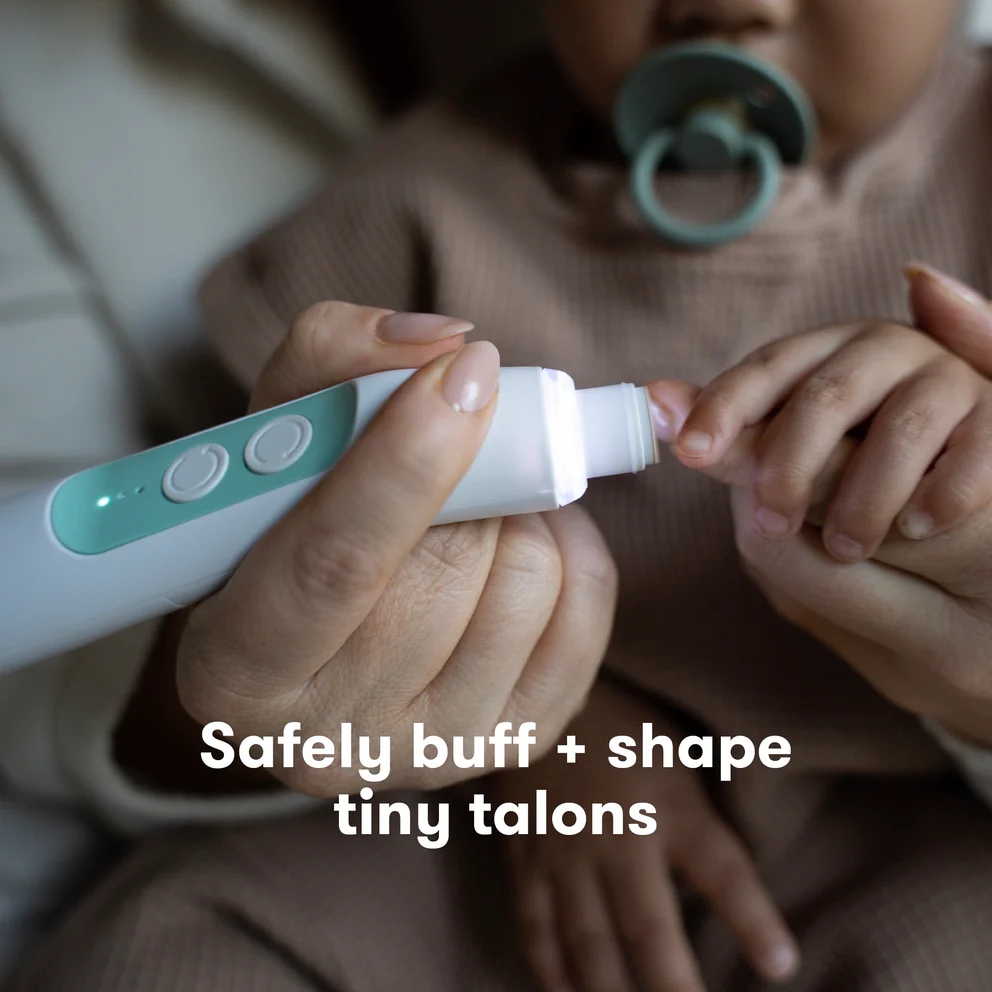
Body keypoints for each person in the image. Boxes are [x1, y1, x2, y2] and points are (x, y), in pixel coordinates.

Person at [7, 1, 992, 991]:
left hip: (899, 809)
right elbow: (257, 562)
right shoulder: (408, 207)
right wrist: (553, 730)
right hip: (462, 807)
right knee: (166, 943)